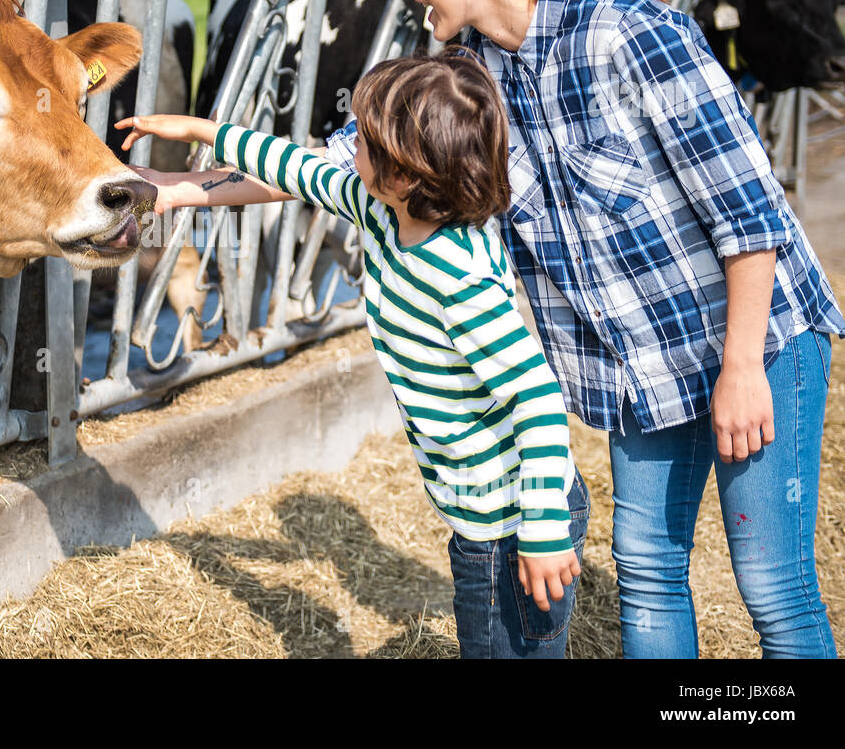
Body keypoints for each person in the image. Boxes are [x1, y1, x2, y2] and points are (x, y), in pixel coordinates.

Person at [137, 0, 842, 659]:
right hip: (641, 360)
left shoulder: (629, 33)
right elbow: (337, 160)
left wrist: (743, 365)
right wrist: (181, 191)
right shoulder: (466, 75)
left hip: (757, 336)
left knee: (773, 588)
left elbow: (748, 209)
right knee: (646, 570)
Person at [118, 53, 591, 659]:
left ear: (404, 173)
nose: (349, 147)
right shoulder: (379, 208)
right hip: (484, 514)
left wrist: (545, 529)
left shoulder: (460, 279)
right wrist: (198, 143)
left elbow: (538, 398)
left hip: (516, 521)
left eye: (364, 140)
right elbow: (296, 169)